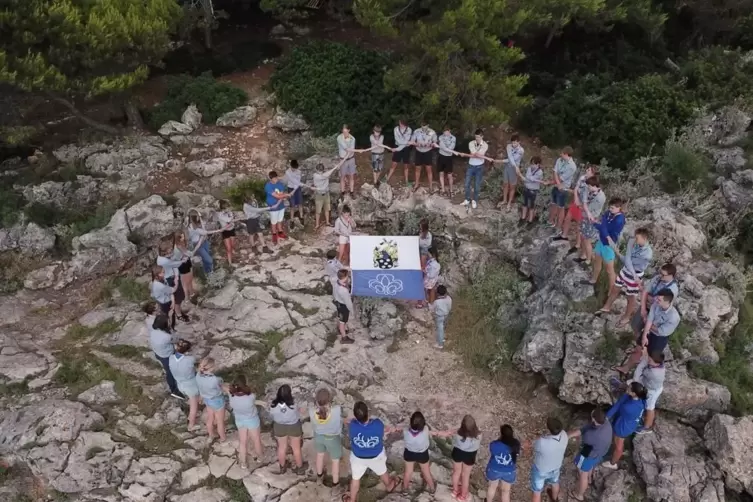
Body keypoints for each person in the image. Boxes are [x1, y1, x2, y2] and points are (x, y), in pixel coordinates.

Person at [343, 401, 399, 502]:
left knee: (355, 479)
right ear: (368, 413)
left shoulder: (352, 425)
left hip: (358, 457)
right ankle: (389, 486)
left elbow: (346, 421)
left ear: (355, 417)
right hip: (376, 456)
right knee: (383, 472)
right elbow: (384, 431)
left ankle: (352, 499)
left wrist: (354, 420)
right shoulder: (378, 424)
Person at [615, 289, 680, 375]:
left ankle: (642, 375)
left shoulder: (674, 317)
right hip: (649, 331)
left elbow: (661, 331)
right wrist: (645, 335)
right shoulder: (656, 304)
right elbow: (649, 320)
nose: (656, 300)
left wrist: (649, 325)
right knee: (638, 349)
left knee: (650, 358)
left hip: (659, 339)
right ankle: (626, 368)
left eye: (659, 300)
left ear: (667, 301)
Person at [598, 228, 653, 315]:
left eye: (637, 238)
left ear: (644, 238)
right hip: (626, 271)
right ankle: (606, 307)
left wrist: (635, 276)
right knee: (615, 288)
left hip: (635, 275)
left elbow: (630, 262)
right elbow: (627, 260)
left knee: (630, 297)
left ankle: (627, 317)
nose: (635, 239)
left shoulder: (647, 254)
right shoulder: (635, 244)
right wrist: (618, 253)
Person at [395, 411, 453, 494]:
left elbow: (405, 428)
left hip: (409, 453)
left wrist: (394, 428)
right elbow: (430, 432)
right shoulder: (425, 430)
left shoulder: (405, 430)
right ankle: (432, 488)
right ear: (423, 423)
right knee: (426, 471)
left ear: (411, 422)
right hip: (422, 454)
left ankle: (405, 489)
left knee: (408, 472)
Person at [567, 408, 612, 502]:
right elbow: (586, 428)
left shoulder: (592, 436)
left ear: (594, 420)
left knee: (582, 472)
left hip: (589, 454)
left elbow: (583, 435)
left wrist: (568, 436)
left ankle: (579, 495)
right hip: (600, 452)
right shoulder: (606, 422)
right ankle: (590, 478)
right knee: (591, 465)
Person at [579, 198, 625, 289]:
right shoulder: (608, 213)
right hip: (601, 241)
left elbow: (606, 229)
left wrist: (596, 224)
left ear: (619, 208)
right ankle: (593, 280)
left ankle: (612, 290)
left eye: (612, 208)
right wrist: (597, 224)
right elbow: (603, 226)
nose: (610, 209)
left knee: (609, 270)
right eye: (610, 207)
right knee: (597, 262)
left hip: (609, 246)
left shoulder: (620, 219)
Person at [602, 381, 648, 470]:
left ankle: (613, 463)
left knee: (618, 445)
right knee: (619, 442)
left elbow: (618, 406)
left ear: (634, 393)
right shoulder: (642, 400)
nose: (626, 389)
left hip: (622, 427)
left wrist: (607, 417)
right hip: (631, 424)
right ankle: (619, 452)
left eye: (629, 389)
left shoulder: (628, 407)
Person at [554, 165, 598, 251]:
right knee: (568, 218)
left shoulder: (593, 183)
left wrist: (582, 204)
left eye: (588, 170)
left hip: (583, 205)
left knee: (579, 225)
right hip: (576, 201)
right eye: (587, 169)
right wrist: (576, 198)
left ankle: (578, 245)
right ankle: (564, 235)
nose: (586, 171)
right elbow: (576, 188)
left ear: (593, 173)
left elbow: (592, 197)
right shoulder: (582, 178)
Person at [627, 263, 679, 334]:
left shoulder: (672, 290)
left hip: (656, 313)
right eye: (660, 273)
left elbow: (660, 303)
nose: (660, 276)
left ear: (671, 276)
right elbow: (646, 291)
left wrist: (647, 295)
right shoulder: (657, 278)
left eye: (663, 275)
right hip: (646, 305)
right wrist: (643, 309)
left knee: (648, 331)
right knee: (635, 325)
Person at [228, 375, 263, 469]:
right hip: (252, 420)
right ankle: (260, 457)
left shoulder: (231, 395)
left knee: (243, 442)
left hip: (239, 420)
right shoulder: (251, 396)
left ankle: (243, 462)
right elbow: (252, 402)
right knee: (256, 439)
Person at [530, 417, 569, 502]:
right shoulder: (564, 434)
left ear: (549, 429)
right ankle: (554, 499)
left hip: (541, 470)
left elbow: (534, 447)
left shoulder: (542, 442)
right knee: (555, 483)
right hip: (556, 467)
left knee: (537, 491)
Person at [311, 388, 343, 488]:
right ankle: (335, 484)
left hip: (319, 437)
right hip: (332, 439)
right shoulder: (336, 410)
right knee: (335, 461)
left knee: (320, 455)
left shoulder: (312, 411)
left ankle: (319, 477)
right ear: (329, 400)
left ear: (316, 401)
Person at [270, 384, 305, 474]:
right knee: (296, 448)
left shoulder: (273, 405)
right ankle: (300, 468)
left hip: (279, 426)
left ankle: (282, 467)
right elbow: (301, 411)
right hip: (294, 426)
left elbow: (271, 415)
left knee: (281, 447)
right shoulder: (294, 404)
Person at [572, 177, 606, 266]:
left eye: (589, 186)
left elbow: (589, 208)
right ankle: (583, 255)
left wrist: (582, 207)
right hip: (585, 217)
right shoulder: (591, 191)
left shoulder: (600, 197)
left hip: (591, 220)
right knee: (583, 237)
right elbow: (584, 201)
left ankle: (588, 260)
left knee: (587, 241)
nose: (588, 187)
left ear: (594, 186)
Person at [149, 314, 183, 400]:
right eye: (168, 321)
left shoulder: (153, 330)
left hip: (158, 353)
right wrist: (172, 331)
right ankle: (174, 390)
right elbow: (176, 340)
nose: (170, 322)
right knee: (170, 372)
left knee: (168, 366)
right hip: (166, 355)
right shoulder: (167, 337)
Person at [632, 350, 666, 432]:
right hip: (652, 386)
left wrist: (643, 362)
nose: (648, 360)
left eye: (650, 360)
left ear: (656, 363)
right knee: (648, 406)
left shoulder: (654, 373)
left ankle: (647, 427)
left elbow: (641, 371)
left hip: (653, 390)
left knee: (650, 407)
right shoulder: (659, 365)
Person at [485, 424, 521, 502]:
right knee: (506, 492)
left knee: (492, 487)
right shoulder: (516, 444)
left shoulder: (494, 444)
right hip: (509, 471)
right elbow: (517, 454)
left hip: (494, 469)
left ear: (501, 434)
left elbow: (492, 453)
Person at [156, 241, 190, 323]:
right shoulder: (164, 261)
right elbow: (176, 263)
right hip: (170, 280)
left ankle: (176, 310)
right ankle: (178, 314)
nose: (172, 252)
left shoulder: (163, 258)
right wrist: (183, 260)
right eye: (170, 250)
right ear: (165, 252)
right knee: (178, 297)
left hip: (172, 277)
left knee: (178, 296)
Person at [169, 339, 199, 430]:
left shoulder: (171, 358)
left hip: (180, 384)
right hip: (191, 385)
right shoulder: (190, 359)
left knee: (192, 399)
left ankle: (191, 415)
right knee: (194, 406)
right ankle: (191, 424)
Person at [451, 414, 482, 502]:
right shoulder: (479, 435)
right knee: (465, 475)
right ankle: (463, 496)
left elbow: (454, 442)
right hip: (470, 455)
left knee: (456, 472)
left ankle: (454, 491)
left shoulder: (458, 434)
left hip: (458, 453)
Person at [337, 124, 372, 198]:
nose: (344, 133)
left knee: (351, 176)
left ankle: (351, 192)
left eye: (346, 132)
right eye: (343, 132)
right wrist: (358, 150)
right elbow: (347, 149)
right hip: (343, 159)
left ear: (349, 130)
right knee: (342, 177)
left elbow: (350, 150)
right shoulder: (339, 138)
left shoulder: (352, 138)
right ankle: (342, 192)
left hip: (351, 159)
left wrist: (355, 151)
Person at [196, 357, 226, 442]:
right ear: (212, 367)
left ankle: (211, 435)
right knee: (220, 421)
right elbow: (219, 388)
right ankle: (223, 438)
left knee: (210, 417)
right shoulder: (215, 379)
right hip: (217, 401)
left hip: (207, 399)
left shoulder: (198, 375)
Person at [310, 160, 346, 230]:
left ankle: (327, 222)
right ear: (316, 170)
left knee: (327, 209)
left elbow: (327, 174)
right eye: (319, 171)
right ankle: (317, 225)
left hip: (326, 194)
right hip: (319, 195)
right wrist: (334, 168)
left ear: (323, 170)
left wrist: (336, 167)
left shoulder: (325, 174)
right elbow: (325, 175)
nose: (320, 172)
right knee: (318, 211)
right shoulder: (316, 175)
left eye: (321, 171)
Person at [548, 147, 577, 232]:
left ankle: (558, 226)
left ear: (566, 154)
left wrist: (557, 182)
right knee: (553, 203)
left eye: (562, 153)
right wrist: (557, 183)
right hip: (557, 186)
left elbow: (562, 178)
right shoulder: (559, 160)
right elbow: (555, 172)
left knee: (561, 207)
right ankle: (551, 221)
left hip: (563, 189)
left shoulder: (572, 166)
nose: (560, 154)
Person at [461, 129, 489, 210]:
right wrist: (475, 154)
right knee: (466, 184)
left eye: (478, 137)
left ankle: (475, 200)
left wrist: (473, 154)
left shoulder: (485, 145)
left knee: (477, 186)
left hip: (479, 167)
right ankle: (467, 199)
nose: (476, 139)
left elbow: (479, 155)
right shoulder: (471, 143)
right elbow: (474, 154)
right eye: (475, 137)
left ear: (482, 136)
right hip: (471, 166)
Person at [499, 134, 525, 212]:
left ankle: (509, 203)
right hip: (507, 167)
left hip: (514, 169)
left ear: (519, 142)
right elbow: (510, 157)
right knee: (505, 184)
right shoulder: (509, 146)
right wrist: (503, 161)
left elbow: (514, 159)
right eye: (512, 142)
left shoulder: (521, 150)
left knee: (512, 186)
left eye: (515, 143)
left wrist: (515, 167)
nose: (513, 144)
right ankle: (504, 200)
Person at [265, 171, 290, 245]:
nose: (276, 179)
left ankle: (280, 232)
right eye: (274, 178)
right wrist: (286, 195)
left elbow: (281, 195)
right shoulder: (268, 186)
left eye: (276, 177)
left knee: (280, 220)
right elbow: (277, 196)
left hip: (281, 206)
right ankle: (274, 235)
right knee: (273, 222)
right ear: (271, 179)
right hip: (273, 206)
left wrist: (283, 196)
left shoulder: (280, 184)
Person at [518, 156, 546, 225]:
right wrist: (526, 178)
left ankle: (530, 221)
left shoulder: (540, 172)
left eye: (534, 164)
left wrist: (522, 176)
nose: (532, 165)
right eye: (531, 163)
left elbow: (531, 179)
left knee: (531, 206)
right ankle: (523, 218)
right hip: (526, 188)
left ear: (538, 164)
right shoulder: (529, 169)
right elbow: (528, 178)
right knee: (524, 204)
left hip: (533, 191)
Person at [411, 120, 437, 192]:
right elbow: (412, 141)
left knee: (429, 169)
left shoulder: (432, 132)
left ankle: (430, 186)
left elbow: (435, 142)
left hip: (428, 152)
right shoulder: (416, 131)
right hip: (419, 151)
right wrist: (417, 144)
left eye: (425, 127)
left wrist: (430, 144)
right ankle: (416, 184)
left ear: (428, 125)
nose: (423, 129)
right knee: (417, 169)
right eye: (422, 127)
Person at [386, 119, 413, 186]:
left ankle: (406, 181)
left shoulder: (409, 129)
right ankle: (387, 179)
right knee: (394, 164)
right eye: (400, 123)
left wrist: (398, 148)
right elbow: (398, 140)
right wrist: (406, 143)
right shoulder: (396, 129)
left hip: (405, 149)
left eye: (402, 124)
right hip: (398, 146)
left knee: (406, 165)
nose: (400, 125)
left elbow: (406, 140)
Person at [186, 210, 214, 275]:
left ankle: (209, 272)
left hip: (204, 242)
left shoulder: (197, 223)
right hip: (198, 245)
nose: (200, 217)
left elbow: (204, 231)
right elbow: (205, 232)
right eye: (198, 216)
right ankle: (208, 272)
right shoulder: (192, 226)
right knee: (209, 260)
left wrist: (201, 221)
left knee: (205, 259)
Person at [333, 269, 355, 344]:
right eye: (348, 276)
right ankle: (344, 337)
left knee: (340, 319)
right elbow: (348, 302)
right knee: (343, 321)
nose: (348, 277)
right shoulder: (343, 291)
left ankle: (341, 330)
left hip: (338, 303)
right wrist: (352, 311)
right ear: (345, 277)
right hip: (343, 306)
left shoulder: (337, 283)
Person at [172, 231, 196, 301]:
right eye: (182, 237)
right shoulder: (179, 246)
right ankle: (187, 297)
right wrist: (196, 248)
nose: (184, 238)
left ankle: (191, 293)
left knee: (188, 280)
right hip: (183, 264)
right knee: (186, 282)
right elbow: (189, 254)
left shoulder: (178, 245)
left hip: (185, 262)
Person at [435, 126, 457, 195]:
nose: (445, 133)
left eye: (447, 131)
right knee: (441, 173)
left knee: (449, 175)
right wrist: (444, 148)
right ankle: (443, 189)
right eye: (444, 132)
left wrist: (443, 148)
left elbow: (451, 147)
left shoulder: (453, 138)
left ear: (449, 131)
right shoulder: (441, 137)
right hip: (441, 156)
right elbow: (444, 148)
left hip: (448, 158)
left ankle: (451, 190)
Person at [216, 200, 238, 267]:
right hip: (225, 232)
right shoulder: (220, 215)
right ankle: (230, 263)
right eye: (226, 208)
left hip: (232, 230)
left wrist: (232, 220)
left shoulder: (230, 212)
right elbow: (229, 220)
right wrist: (232, 220)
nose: (228, 209)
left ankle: (233, 252)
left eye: (228, 207)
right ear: (223, 208)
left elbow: (232, 221)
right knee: (228, 248)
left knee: (233, 244)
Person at [284, 159, 304, 228]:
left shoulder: (299, 172)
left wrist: (293, 191)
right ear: (290, 166)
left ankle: (301, 217)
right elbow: (292, 181)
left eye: (295, 168)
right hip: (290, 188)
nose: (293, 170)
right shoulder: (287, 172)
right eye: (293, 168)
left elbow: (297, 183)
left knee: (300, 204)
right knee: (292, 205)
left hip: (297, 189)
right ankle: (292, 220)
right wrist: (291, 191)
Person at [432, 285, 452, 349]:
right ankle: (442, 339)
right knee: (443, 327)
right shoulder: (449, 298)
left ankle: (440, 344)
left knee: (440, 329)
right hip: (447, 315)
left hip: (439, 316)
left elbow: (433, 309)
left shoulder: (437, 302)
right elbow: (449, 307)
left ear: (437, 293)